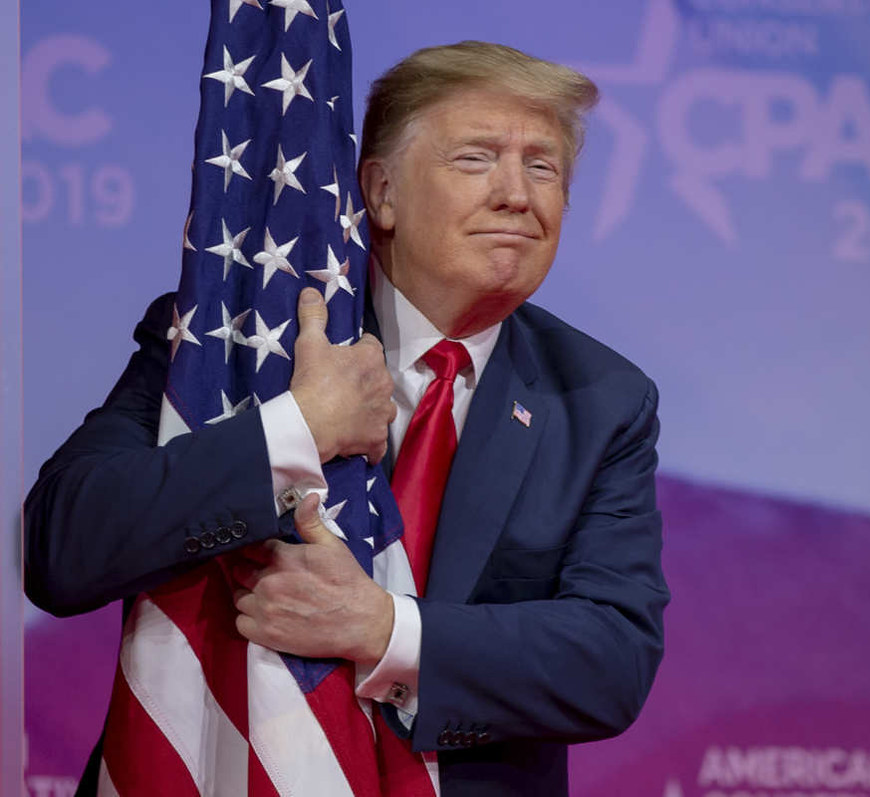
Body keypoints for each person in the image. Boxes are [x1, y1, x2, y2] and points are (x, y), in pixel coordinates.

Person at [25, 41, 669, 796]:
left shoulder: (601, 399)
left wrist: (382, 629)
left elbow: (612, 658)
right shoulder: (225, 345)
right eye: (476, 158)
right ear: (382, 192)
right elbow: (61, 549)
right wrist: (293, 431)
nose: (516, 194)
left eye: (543, 166)